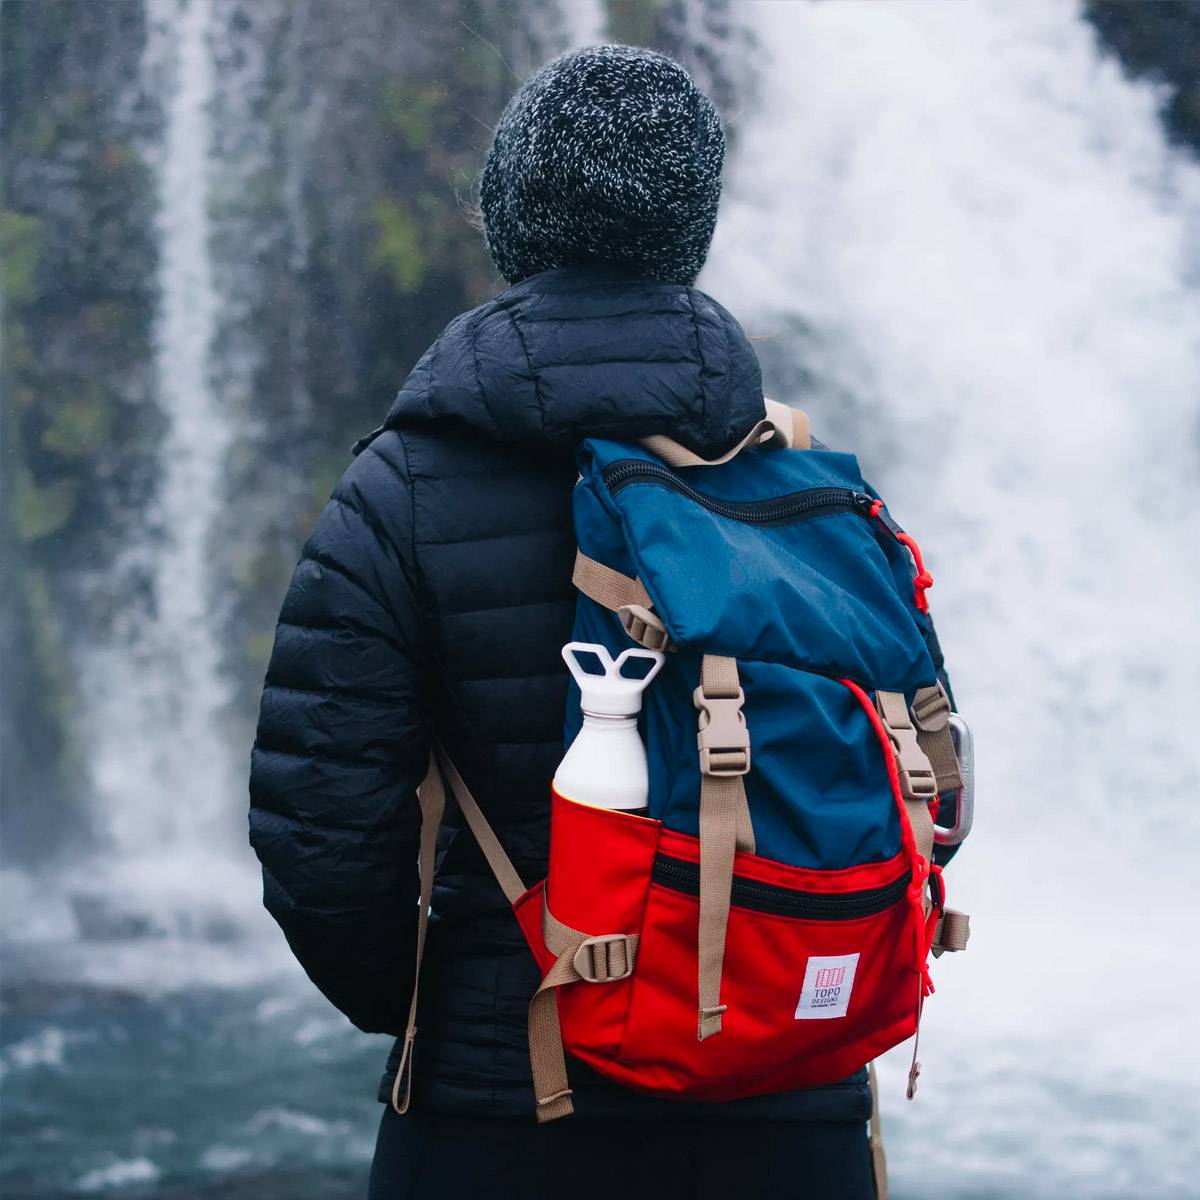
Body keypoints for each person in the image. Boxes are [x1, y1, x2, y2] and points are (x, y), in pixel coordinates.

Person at [249, 45, 880, 1200]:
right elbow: (914, 781)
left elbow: (320, 840)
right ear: (693, 227)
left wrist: (459, 1012)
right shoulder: (806, 478)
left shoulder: (399, 488)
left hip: (509, 1115)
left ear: (510, 217)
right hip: (792, 1100)